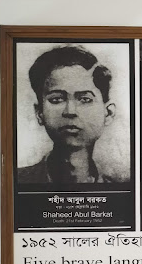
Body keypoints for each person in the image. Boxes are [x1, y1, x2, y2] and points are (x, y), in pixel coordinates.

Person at [18, 45, 122, 183]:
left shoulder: (119, 188)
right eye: (57, 99)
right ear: (39, 113)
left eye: (85, 99)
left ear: (108, 113)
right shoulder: (17, 181)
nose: (70, 111)